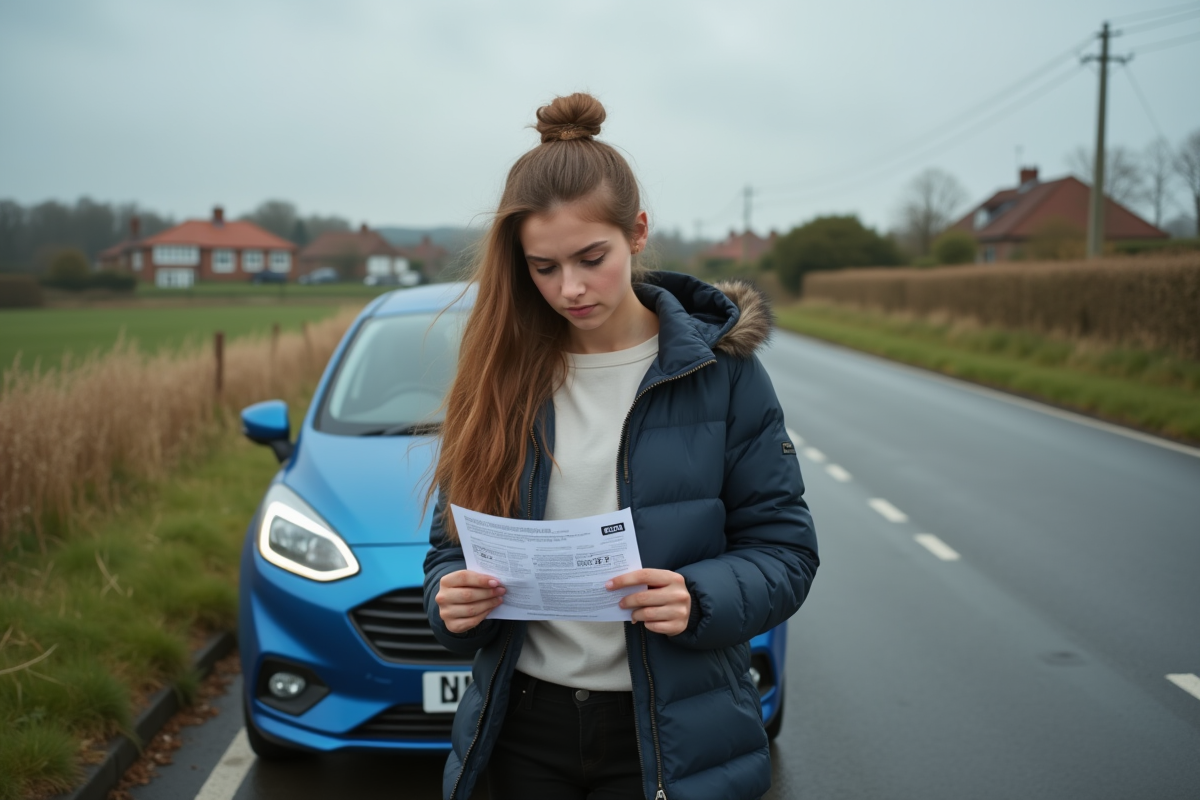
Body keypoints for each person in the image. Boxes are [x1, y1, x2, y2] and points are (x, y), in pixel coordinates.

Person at [422, 92, 819, 800]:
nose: (570, 288)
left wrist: (698, 595)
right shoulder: (496, 377)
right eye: (543, 267)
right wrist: (448, 603)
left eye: (590, 257)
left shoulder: (724, 375)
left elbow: (786, 552)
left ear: (637, 233)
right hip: (520, 731)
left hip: (673, 734)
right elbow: (451, 549)